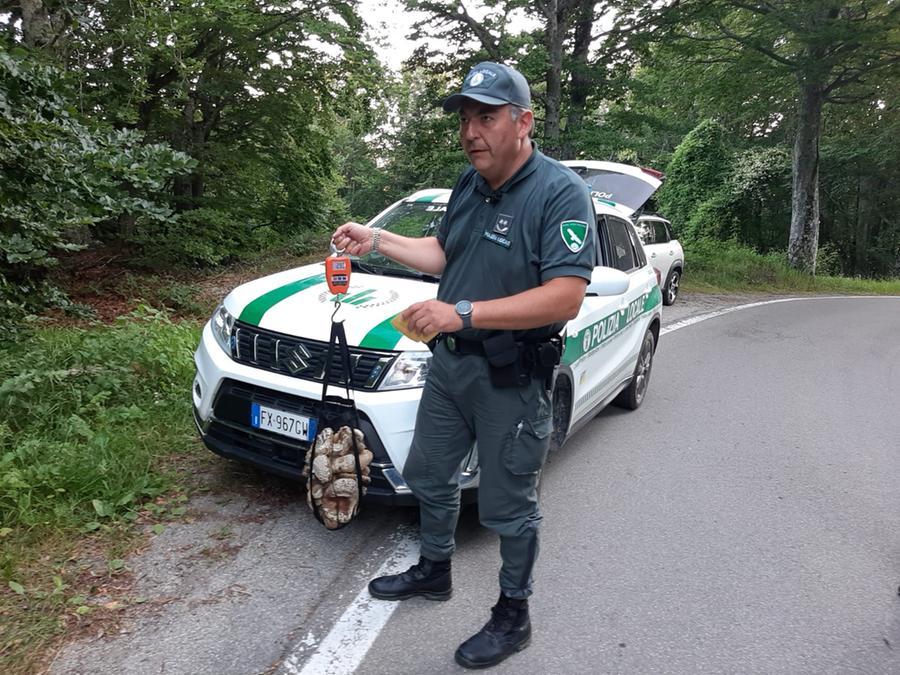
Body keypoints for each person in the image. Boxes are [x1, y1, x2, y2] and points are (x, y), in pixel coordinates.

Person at [331, 61, 596, 669]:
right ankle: (434, 568)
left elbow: (566, 294)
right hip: (450, 368)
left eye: (487, 116)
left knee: (508, 505)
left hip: (511, 375)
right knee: (428, 471)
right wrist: (378, 241)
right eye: (466, 118)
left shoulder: (559, 193)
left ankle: (513, 614)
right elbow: (444, 253)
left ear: (523, 122)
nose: (472, 131)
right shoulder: (469, 183)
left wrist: (464, 313)